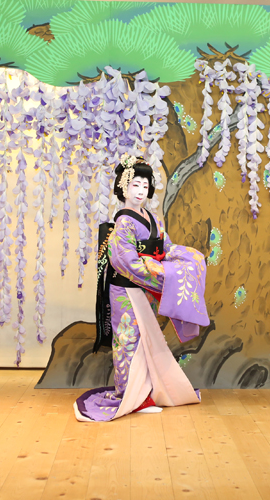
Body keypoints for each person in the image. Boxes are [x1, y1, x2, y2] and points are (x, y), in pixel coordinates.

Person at [73, 155, 209, 422]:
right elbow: (125, 261)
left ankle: (147, 392)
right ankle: (131, 397)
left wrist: (184, 259)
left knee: (147, 339)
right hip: (126, 289)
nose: (140, 191)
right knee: (128, 341)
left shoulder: (152, 217)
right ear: (123, 187)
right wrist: (162, 275)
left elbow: (165, 247)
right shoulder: (123, 222)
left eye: (145, 186)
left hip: (144, 290)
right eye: (135, 185)